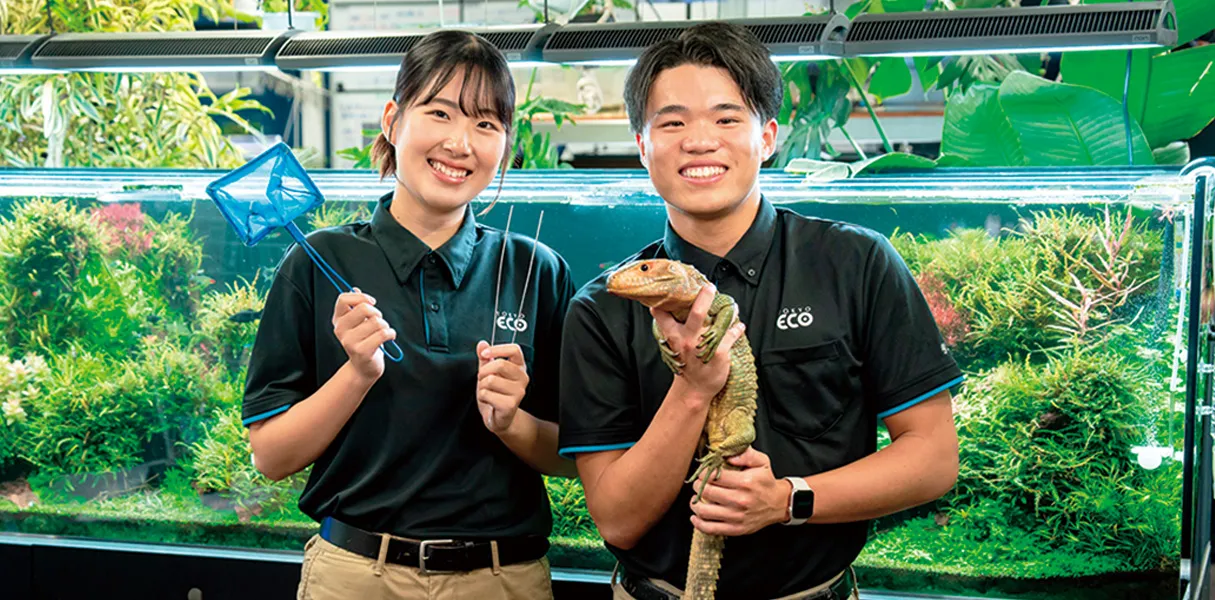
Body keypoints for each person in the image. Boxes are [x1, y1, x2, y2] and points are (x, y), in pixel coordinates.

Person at [557, 21, 963, 600]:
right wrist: (695, 388)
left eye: (727, 118)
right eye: (672, 122)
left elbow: (933, 456)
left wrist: (788, 499)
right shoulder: (601, 308)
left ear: (767, 136)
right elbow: (617, 519)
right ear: (643, 144)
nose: (700, 141)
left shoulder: (856, 262)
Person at [241, 29, 577, 600]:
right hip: (355, 574)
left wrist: (511, 421)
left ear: (506, 145)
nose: (460, 142)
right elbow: (272, 456)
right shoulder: (320, 262)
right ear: (393, 121)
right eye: (440, 112)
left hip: (504, 579)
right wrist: (357, 372)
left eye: (486, 124)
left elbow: (573, 456)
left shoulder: (535, 270)